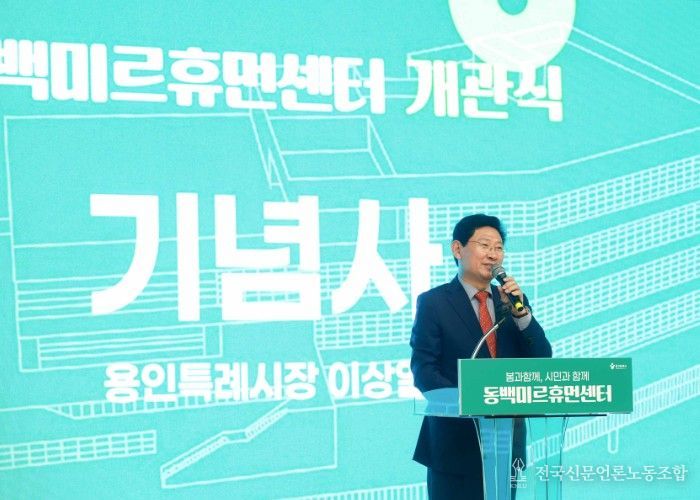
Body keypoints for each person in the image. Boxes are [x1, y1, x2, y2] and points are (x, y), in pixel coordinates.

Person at [410, 214, 552, 499]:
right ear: (457, 249)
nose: (493, 254)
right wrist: (471, 402)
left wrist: (522, 315)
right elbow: (425, 371)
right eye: (484, 245)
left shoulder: (512, 303)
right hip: (454, 445)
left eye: (498, 247)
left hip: (505, 443)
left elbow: (541, 359)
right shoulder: (434, 303)